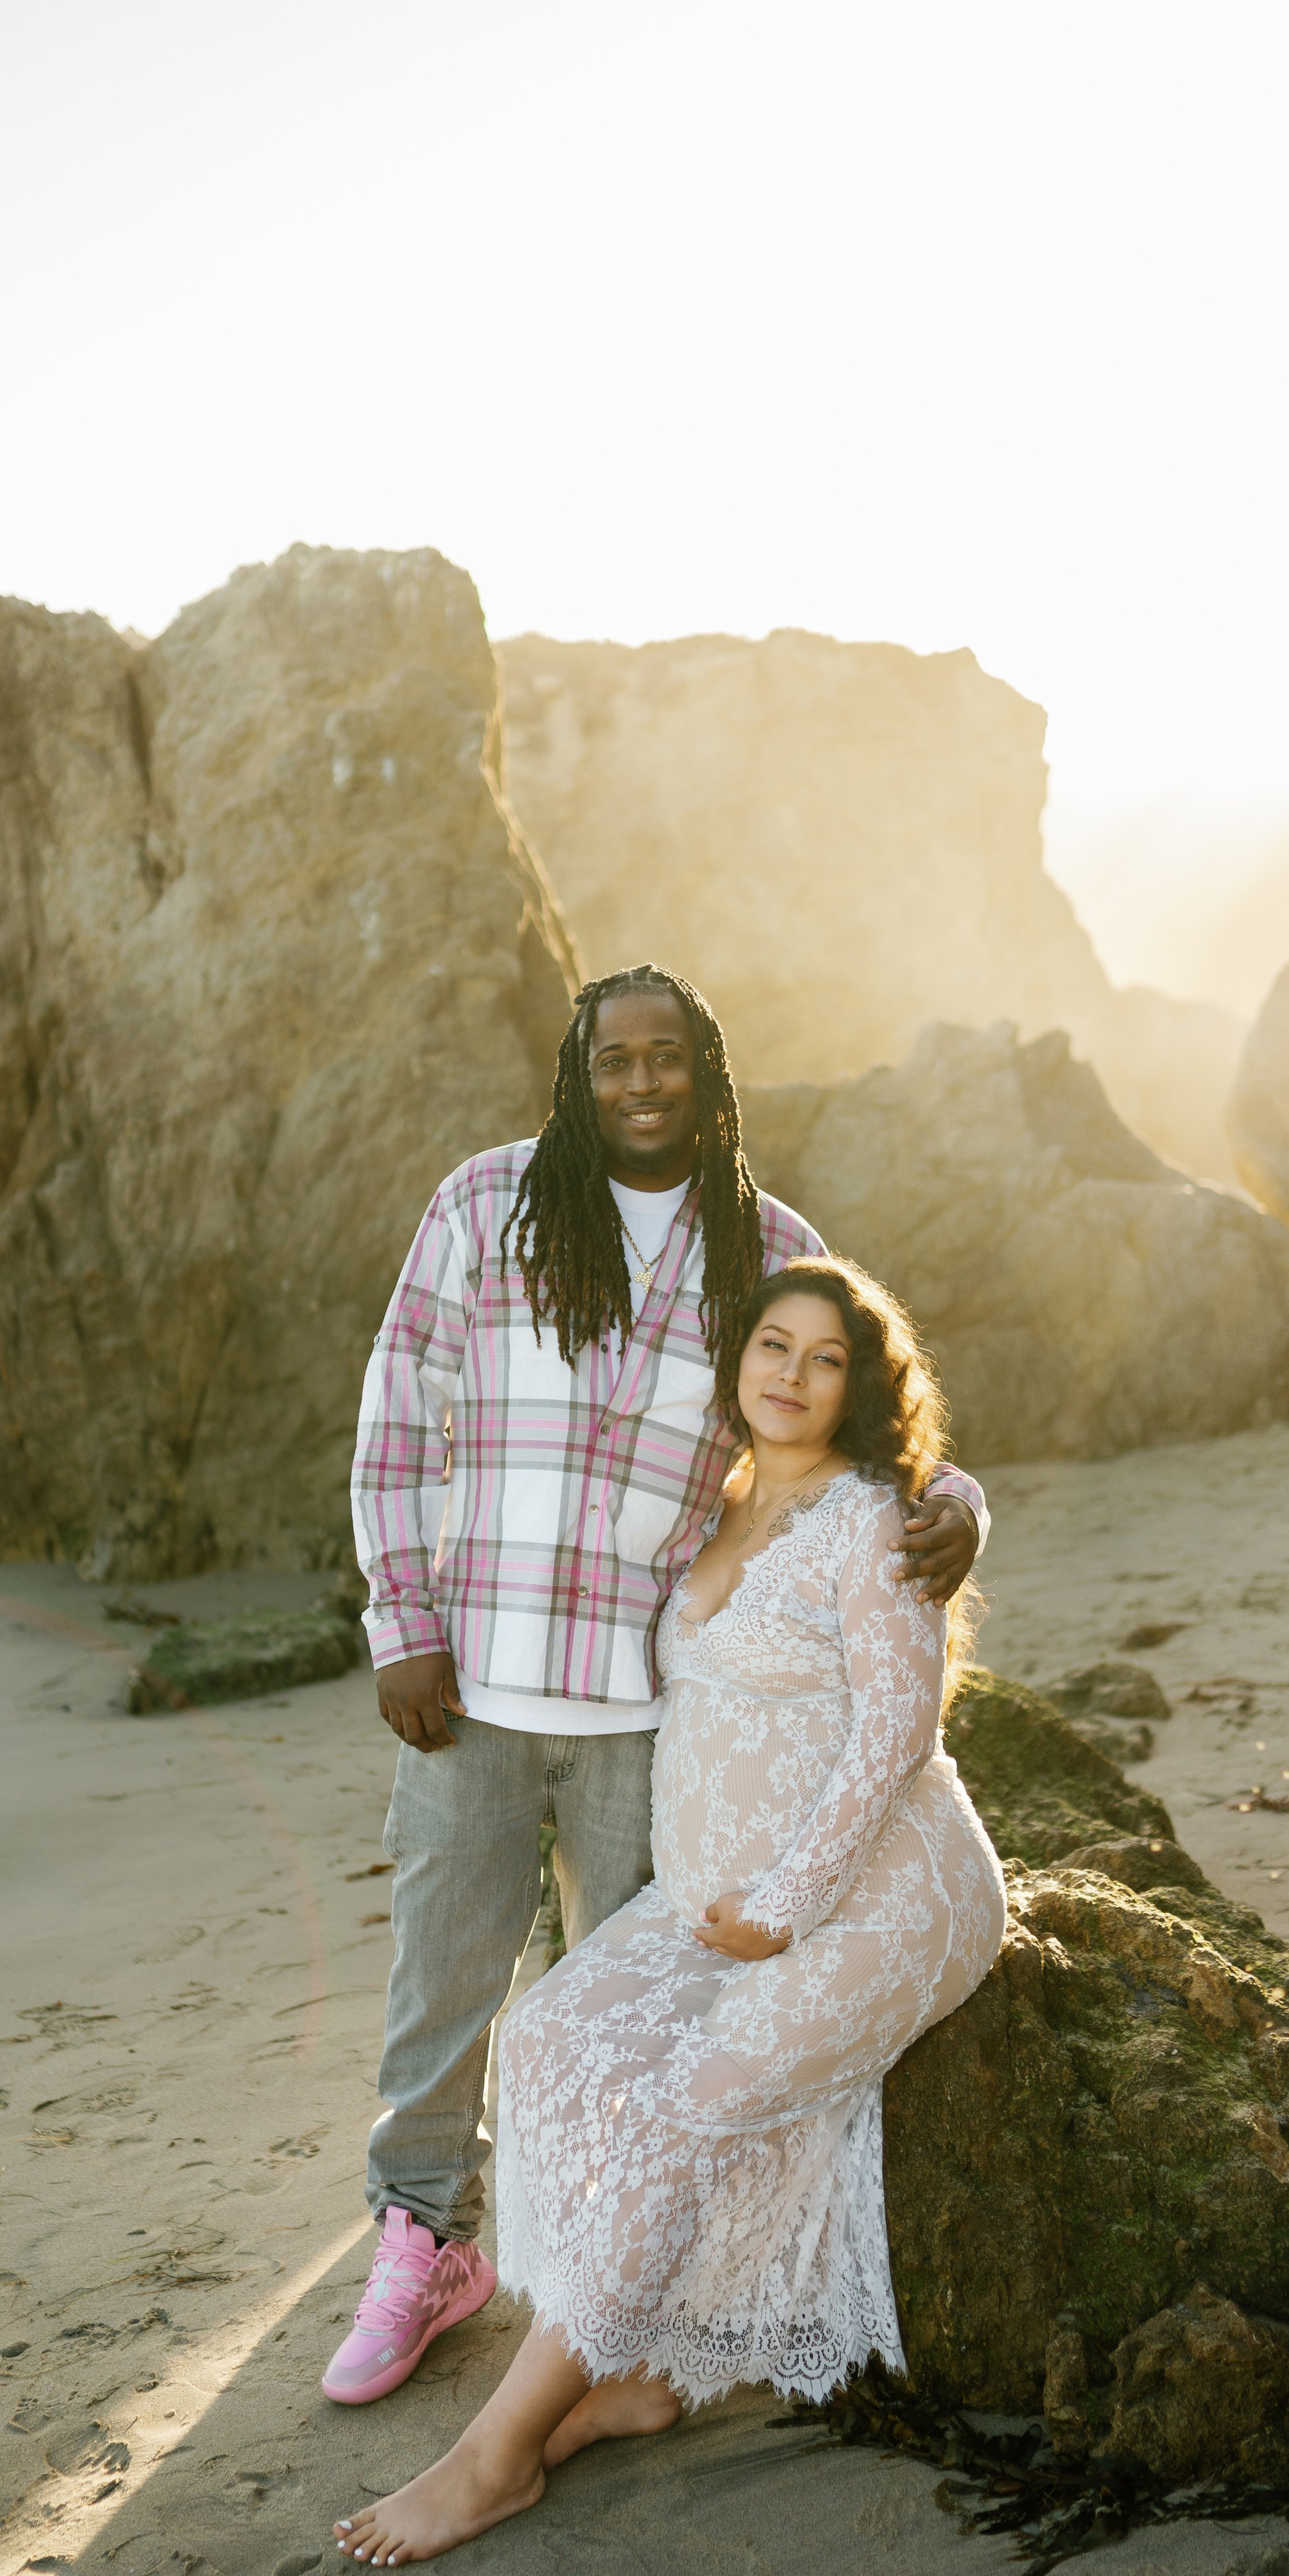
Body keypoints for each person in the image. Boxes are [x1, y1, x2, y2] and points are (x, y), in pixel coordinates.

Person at [322, 965, 987, 2409]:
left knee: (612, 2017)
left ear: (705, 1072)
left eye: (666, 1057)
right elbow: (394, 1416)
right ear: (576, 1071)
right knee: (441, 1991)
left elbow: (860, 1399)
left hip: (650, 1726)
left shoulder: (765, 1239)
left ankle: (587, 2283)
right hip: (474, 1691)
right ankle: (423, 2244)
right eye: (612, 1057)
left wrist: (965, 1504)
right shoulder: (482, 1205)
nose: (639, 1081)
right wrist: (400, 1624)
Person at [335, 1254, 1005, 2564]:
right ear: (737, 1358)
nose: (793, 1374)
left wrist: (789, 1903)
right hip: (715, 1890)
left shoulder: (879, 1519)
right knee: (551, 2043)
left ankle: (499, 2453)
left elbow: (898, 1732)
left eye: (826, 1358)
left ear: (861, 1385)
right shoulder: (721, 1495)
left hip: (881, 1888)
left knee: (695, 2098)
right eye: (774, 1345)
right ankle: (630, 2375)